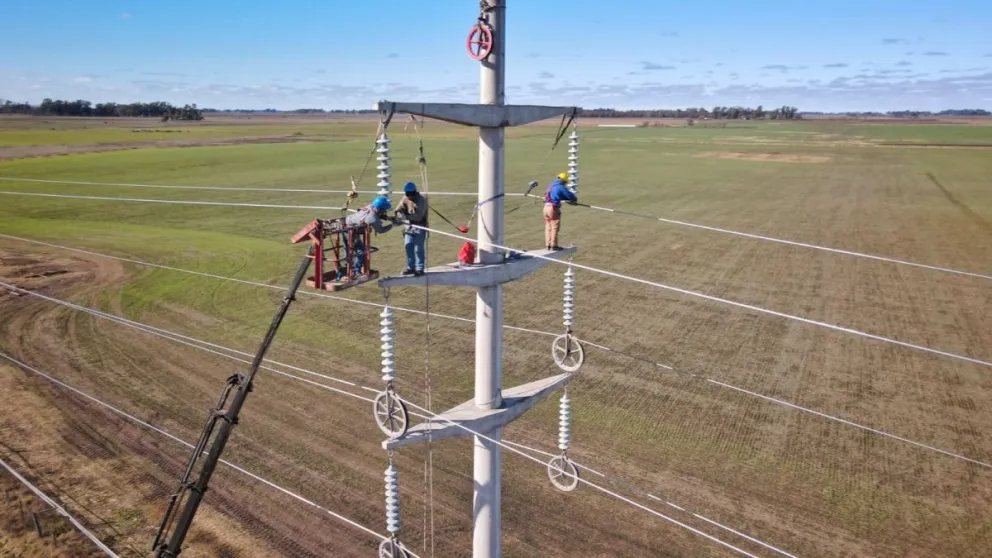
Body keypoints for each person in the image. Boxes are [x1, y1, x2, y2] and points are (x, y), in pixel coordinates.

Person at [337, 195, 394, 279]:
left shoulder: (371, 206)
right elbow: (381, 230)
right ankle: (355, 271)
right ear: (380, 209)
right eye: (384, 210)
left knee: (349, 250)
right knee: (361, 251)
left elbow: (377, 214)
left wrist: (388, 218)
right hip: (349, 230)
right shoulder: (372, 217)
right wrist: (392, 225)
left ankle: (349, 268)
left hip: (347, 225)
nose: (385, 211)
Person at [394, 182, 429, 276]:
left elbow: (418, 216)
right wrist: (399, 214)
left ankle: (420, 269)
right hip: (408, 227)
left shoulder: (421, 200)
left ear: (414, 192)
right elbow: (398, 209)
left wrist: (405, 217)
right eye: (407, 194)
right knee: (408, 246)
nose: (409, 196)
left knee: (418, 249)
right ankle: (411, 268)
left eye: (411, 194)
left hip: (420, 227)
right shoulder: (405, 198)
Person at [543, 172, 577, 250]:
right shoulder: (560, 187)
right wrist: (574, 199)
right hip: (553, 208)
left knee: (548, 227)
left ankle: (548, 244)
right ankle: (554, 245)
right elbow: (570, 196)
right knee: (554, 227)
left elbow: (553, 194)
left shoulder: (551, 185)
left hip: (545, 208)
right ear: (563, 181)